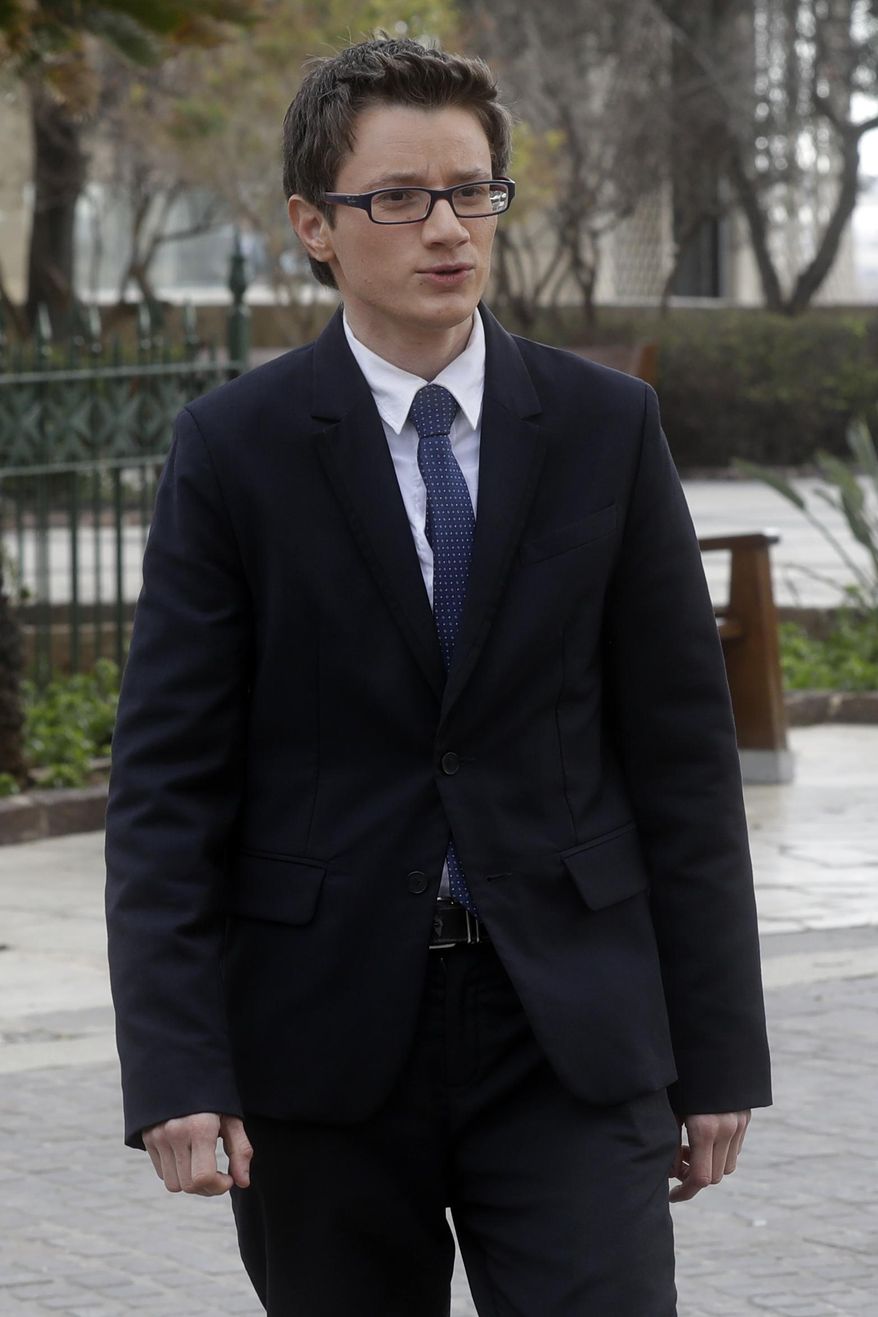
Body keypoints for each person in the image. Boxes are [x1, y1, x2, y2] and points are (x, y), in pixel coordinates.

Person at [105, 36, 771, 1317]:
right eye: (399, 197)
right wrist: (177, 1068)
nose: (447, 227)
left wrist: (715, 1057)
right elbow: (167, 790)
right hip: (323, 1037)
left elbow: (683, 763)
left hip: (568, 1032)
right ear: (313, 224)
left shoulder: (602, 430)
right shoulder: (234, 450)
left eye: (472, 190)